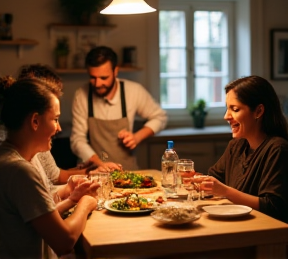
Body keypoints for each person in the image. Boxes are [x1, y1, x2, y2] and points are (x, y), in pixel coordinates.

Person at [0, 76, 98, 258]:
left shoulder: (9, 158)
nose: (59, 128)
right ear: (35, 121)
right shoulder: (19, 171)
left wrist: (72, 199)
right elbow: (65, 241)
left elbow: (36, 220)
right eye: (55, 119)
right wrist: (86, 204)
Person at [70, 46, 168, 171]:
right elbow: (77, 140)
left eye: (104, 78)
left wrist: (136, 137)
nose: (98, 84)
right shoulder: (82, 95)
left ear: (115, 71)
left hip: (127, 171)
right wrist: (100, 164)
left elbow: (160, 117)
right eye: (93, 78)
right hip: (95, 172)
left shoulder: (133, 91)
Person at [206, 75, 288, 223]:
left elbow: (273, 207)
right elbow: (215, 178)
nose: (226, 116)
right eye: (227, 108)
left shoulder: (277, 149)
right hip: (237, 225)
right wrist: (195, 180)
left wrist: (224, 191)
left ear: (258, 111)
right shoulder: (236, 146)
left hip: (264, 235)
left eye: (235, 109)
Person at [17, 64, 97, 185]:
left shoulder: (37, 140)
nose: (59, 128)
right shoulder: (18, 153)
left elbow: (52, 178)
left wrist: (85, 171)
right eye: (55, 119)